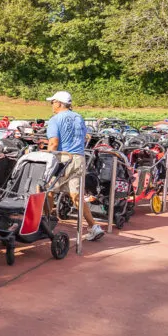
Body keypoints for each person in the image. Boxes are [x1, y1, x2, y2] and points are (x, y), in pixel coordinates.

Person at [45, 91, 104, 241]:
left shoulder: (55, 119)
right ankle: (93, 226)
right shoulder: (78, 117)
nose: (52, 105)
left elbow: (53, 143)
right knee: (76, 195)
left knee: (49, 190)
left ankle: (45, 222)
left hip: (63, 158)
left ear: (59, 103)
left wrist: (46, 157)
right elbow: (85, 136)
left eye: (53, 102)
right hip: (79, 158)